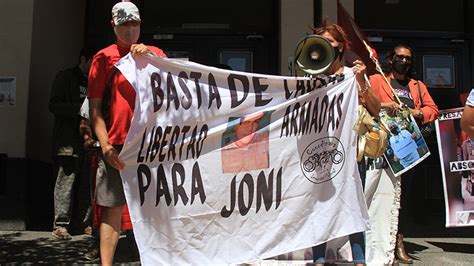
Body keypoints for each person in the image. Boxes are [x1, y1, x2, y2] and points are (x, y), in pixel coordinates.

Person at [88, 2, 167, 265]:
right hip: (118, 145)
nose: (130, 30)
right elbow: (95, 109)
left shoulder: (155, 53)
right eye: (124, 24)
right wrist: (106, 146)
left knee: (157, 208)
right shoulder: (103, 58)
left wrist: (152, 60)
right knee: (112, 210)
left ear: (141, 24)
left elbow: (174, 91)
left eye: (134, 24)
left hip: (152, 145)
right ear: (114, 26)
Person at [309, 21, 381, 266]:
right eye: (322, 43)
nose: (327, 48)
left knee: (353, 203)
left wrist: (362, 82)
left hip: (349, 151)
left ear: (341, 47)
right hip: (318, 152)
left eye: (331, 43)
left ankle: (359, 260)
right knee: (317, 204)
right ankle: (318, 259)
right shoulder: (310, 78)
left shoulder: (352, 76)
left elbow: (375, 108)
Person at [369, 44, 439, 264]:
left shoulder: (417, 86)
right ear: (390, 59)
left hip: (408, 150)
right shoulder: (378, 80)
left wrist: (416, 112)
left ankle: (398, 241)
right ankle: (378, 242)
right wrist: (386, 105)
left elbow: (432, 110)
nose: (404, 61)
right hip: (382, 149)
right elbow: (367, 104)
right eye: (399, 57)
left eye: (408, 58)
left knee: (404, 199)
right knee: (379, 197)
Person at [49, 47, 94, 240]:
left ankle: (83, 223)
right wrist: (81, 109)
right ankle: (60, 224)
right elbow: (54, 105)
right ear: (83, 59)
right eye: (93, 61)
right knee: (65, 181)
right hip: (68, 141)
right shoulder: (66, 77)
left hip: (89, 140)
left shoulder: (95, 82)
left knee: (87, 183)